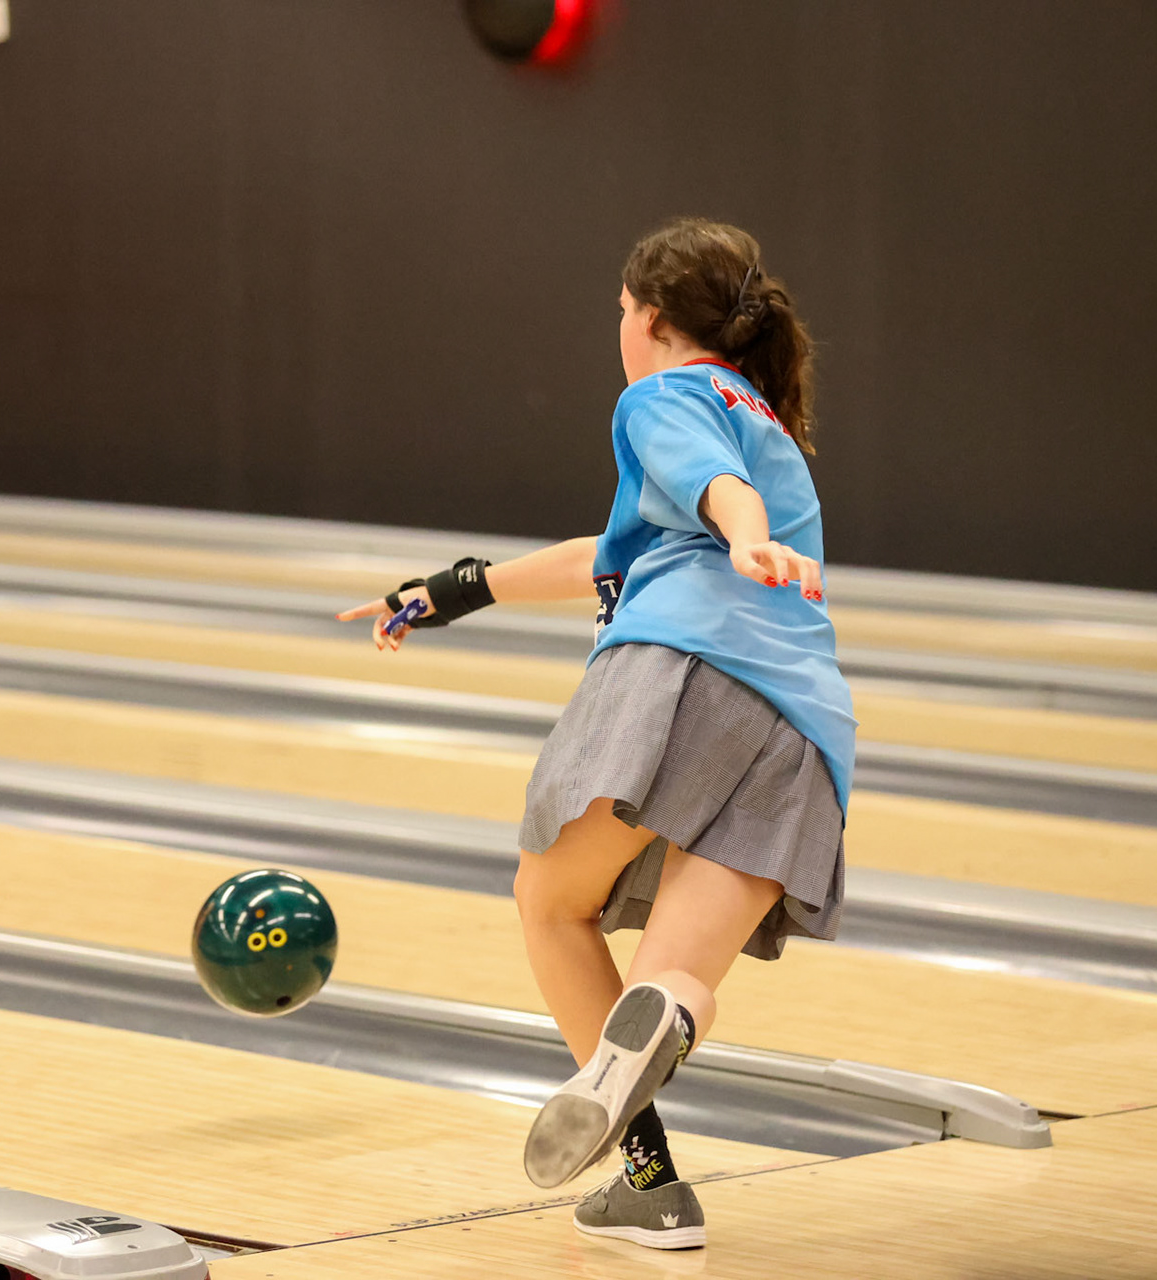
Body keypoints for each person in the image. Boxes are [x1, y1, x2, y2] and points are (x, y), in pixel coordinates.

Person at [337, 218, 856, 1251]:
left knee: (549, 901)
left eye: (621, 311)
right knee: (673, 979)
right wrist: (454, 590)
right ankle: (656, 1164)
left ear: (652, 319)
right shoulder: (765, 422)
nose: (618, 329)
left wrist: (746, 537)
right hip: (806, 732)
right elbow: (614, 553)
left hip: (681, 673)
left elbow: (715, 491)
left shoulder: (665, 396)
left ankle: (644, 1168)